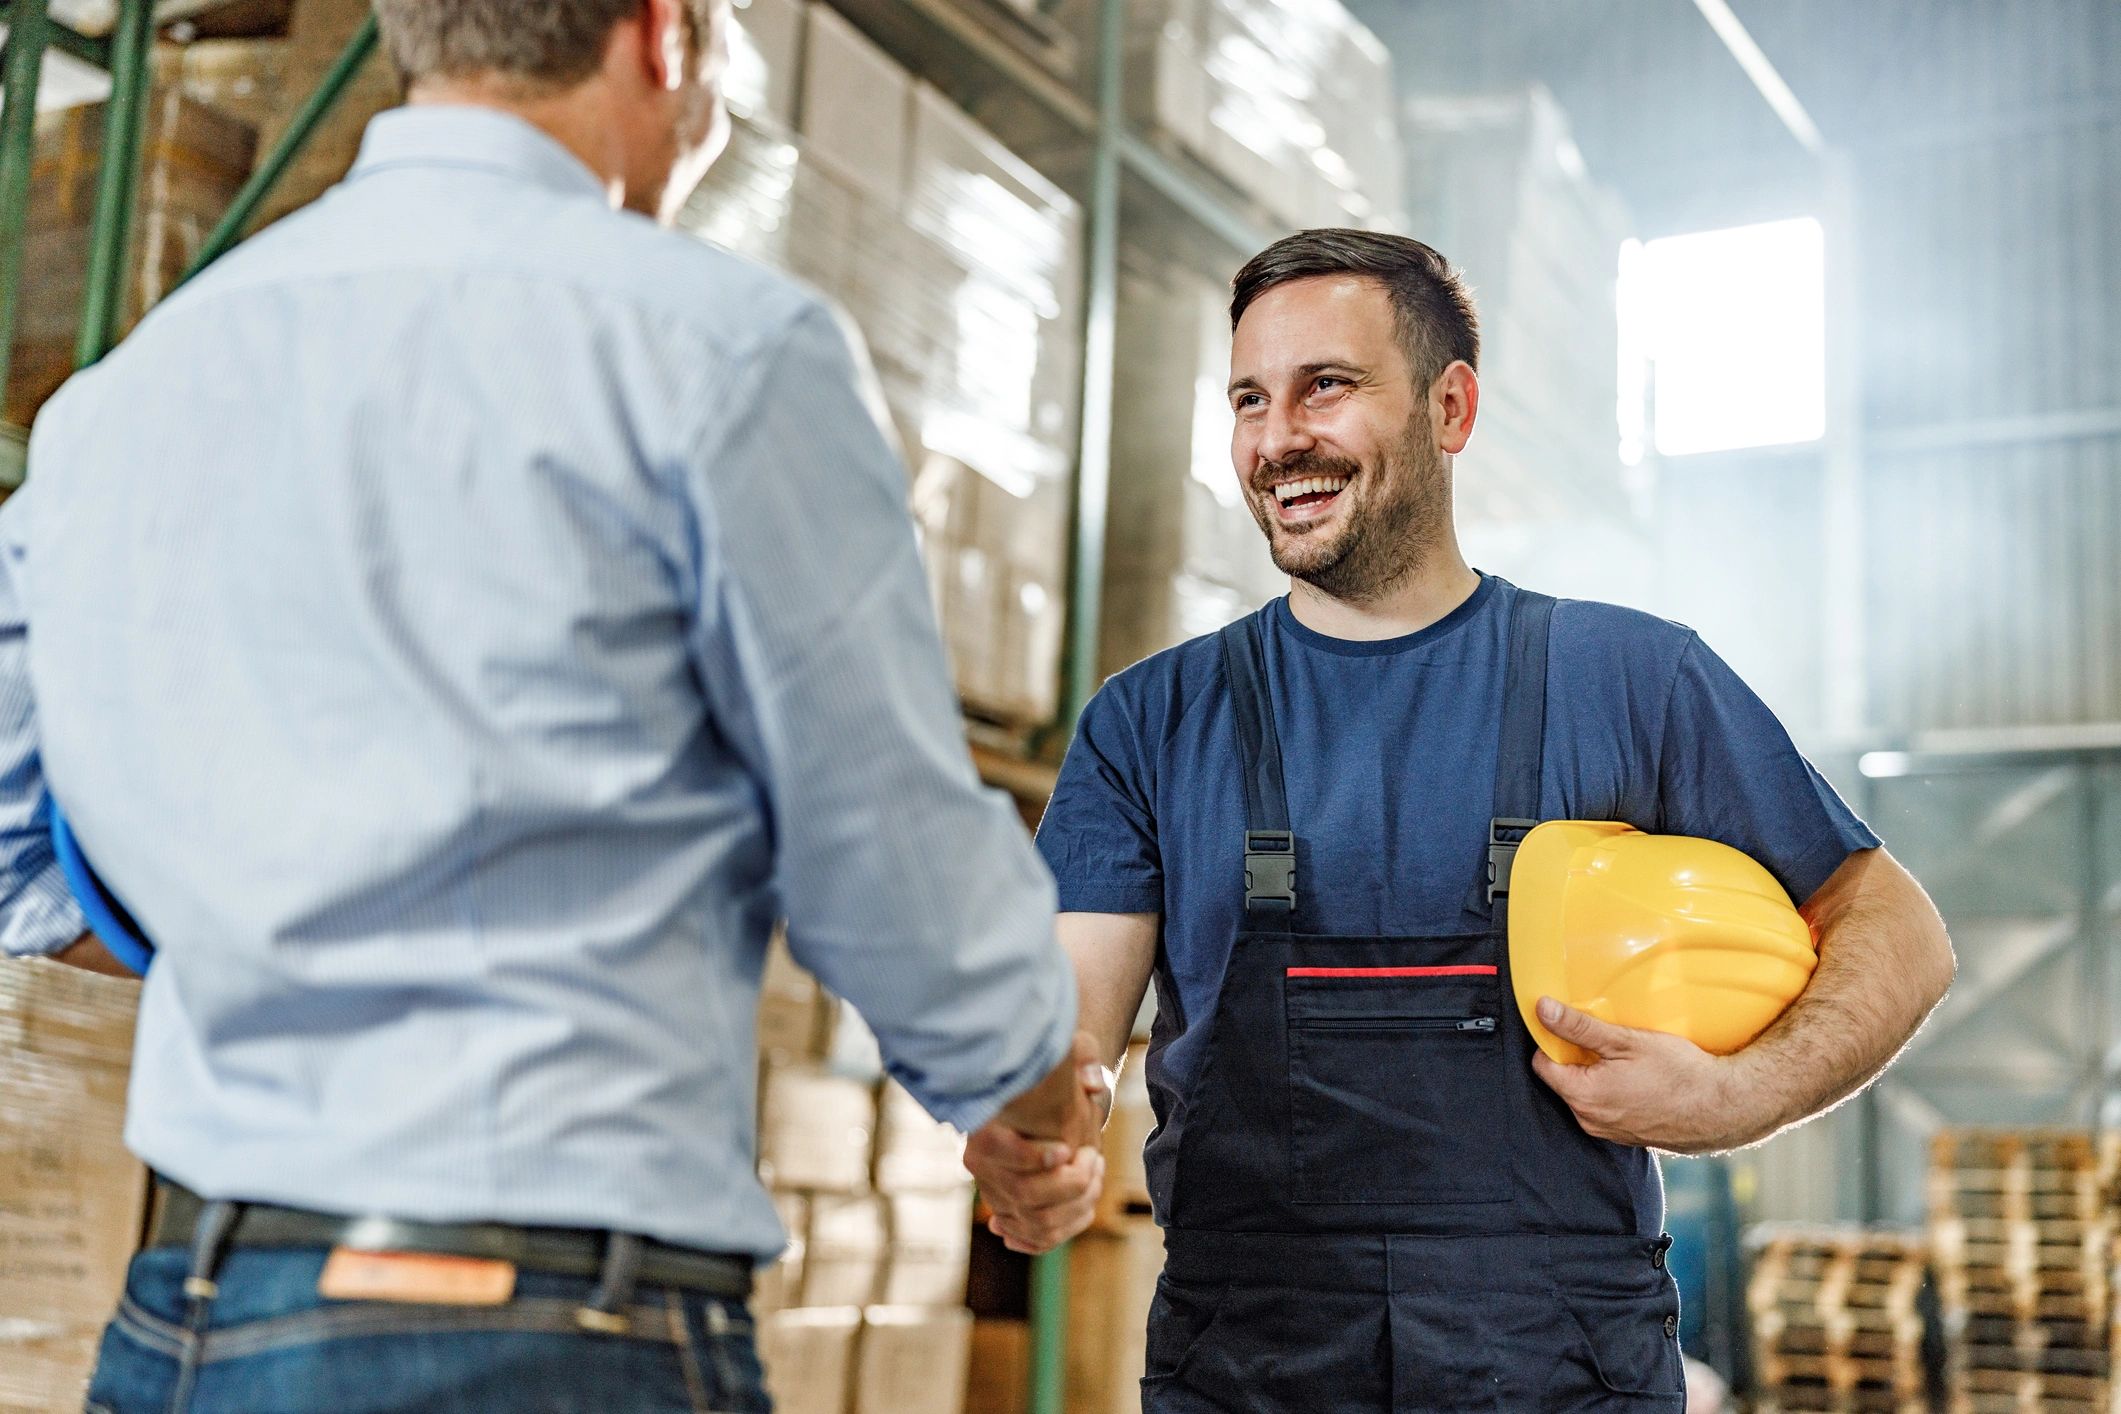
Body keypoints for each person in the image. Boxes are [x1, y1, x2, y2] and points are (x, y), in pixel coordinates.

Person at [0, 1, 1102, 1409]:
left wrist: (275, 923)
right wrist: (1031, 1100)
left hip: (198, 1323)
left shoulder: (127, 393)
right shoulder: (728, 352)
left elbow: (15, 845)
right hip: (551, 1330)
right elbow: (885, 859)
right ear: (666, 35)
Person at [965, 229, 1956, 1410]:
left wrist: (1739, 1098)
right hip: (1250, 1366)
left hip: (1560, 1366)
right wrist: (1028, 1139)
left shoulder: (1630, 680)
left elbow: (1900, 930)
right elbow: (1065, 1040)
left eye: (1325, 386)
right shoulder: (1149, 722)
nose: (1278, 438)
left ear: (1451, 407)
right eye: (1248, 398)